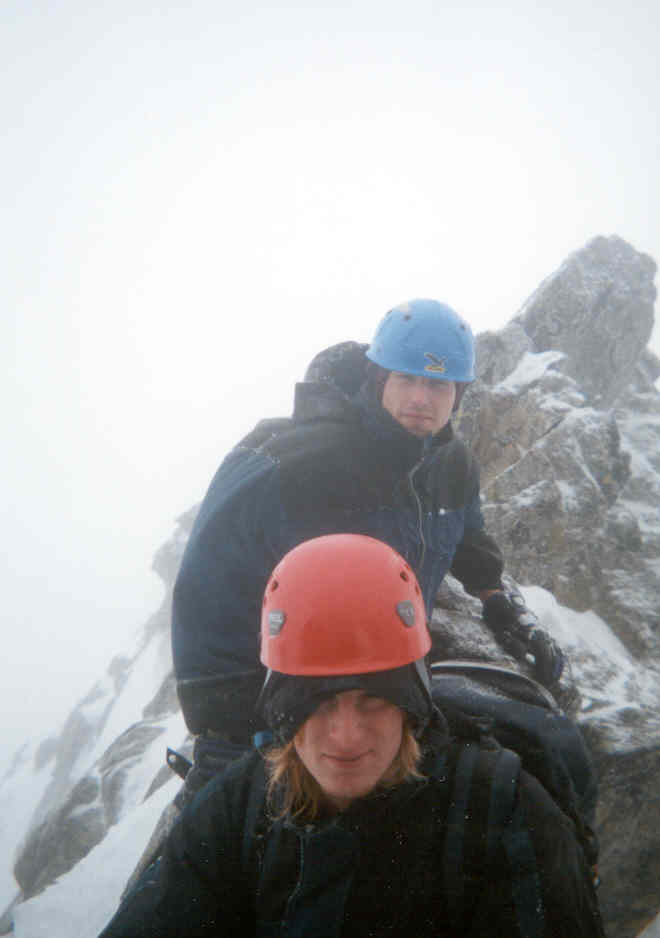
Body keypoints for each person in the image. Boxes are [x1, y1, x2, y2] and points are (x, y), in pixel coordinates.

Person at [99, 535, 601, 938]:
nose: (345, 736)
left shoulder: (500, 811)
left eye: (374, 699)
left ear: (412, 702)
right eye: (316, 701)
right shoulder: (236, 810)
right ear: (281, 708)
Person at [171, 298, 564, 799]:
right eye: (407, 378)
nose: (421, 398)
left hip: (386, 676)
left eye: (438, 385)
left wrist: (500, 603)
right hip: (297, 690)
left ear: (459, 395)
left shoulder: (452, 464)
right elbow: (209, 584)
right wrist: (226, 726)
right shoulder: (296, 465)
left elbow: (465, 532)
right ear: (379, 379)